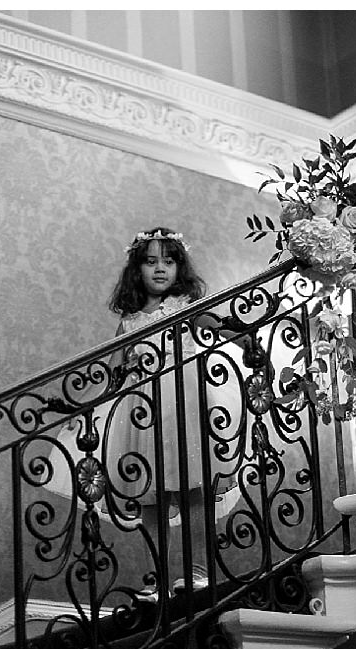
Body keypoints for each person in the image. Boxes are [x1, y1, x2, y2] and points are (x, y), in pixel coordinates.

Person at [46, 226, 244, 601]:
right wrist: (86, 406)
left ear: (178, 269)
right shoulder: (130, 321)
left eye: (168, 262)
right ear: (137, 269)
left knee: (193, 490)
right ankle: (160, 577)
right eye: (151, 261)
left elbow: (217, 326)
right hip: (142, 413)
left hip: (183, 403)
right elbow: (113, 370)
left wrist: (245, 335)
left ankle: (197, 572)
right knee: (151, 497)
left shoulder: (186, 306)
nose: (160, 269)